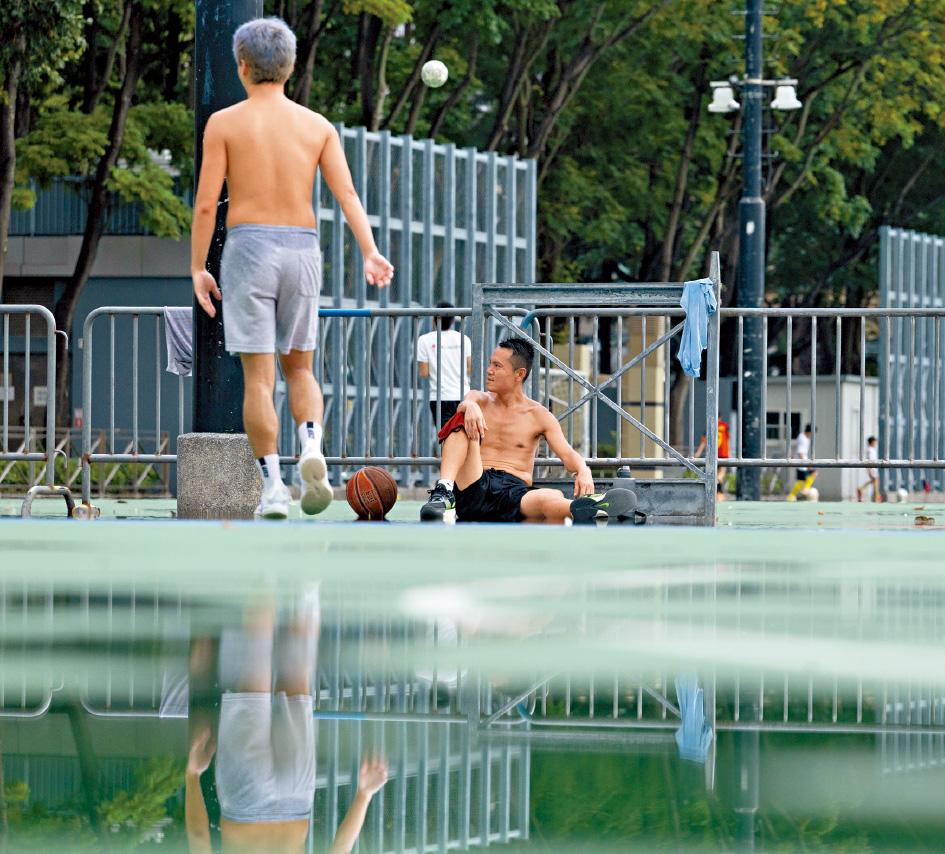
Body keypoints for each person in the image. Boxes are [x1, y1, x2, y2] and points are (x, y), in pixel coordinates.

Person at [190, 17, 394, 520]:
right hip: (301, 249)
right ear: (291, 66)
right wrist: (370, 251)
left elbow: (206, 203)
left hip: (249, 248)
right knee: (300, 367)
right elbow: (347, 194)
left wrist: (198, 266)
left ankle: (274, 488)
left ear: (242, 65)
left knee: (259, 380)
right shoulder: (316, 126)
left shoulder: (225, 123)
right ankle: (311, 446)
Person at [185, 588, 389, 854]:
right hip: (246, 803)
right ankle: (266, 578)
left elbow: (340, 848)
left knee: (297, 677)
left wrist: (364, 794)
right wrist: (192, 775)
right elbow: (199, 837)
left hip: (296, 801)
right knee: (255, 668)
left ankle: (307, 589)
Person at [418, 337, 635, 524]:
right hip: (473, 484)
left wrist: (583, 470)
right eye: (490, 364)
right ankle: (443, 491)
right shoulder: (478, 399)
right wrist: (469, 406)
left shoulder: (539, 415)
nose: (489, 370)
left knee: (550, 496)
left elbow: (567, 454)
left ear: (519, 374)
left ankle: (590, 507)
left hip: (513, 492)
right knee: (461, 419)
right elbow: (467, 402)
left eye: (497, 366)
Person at [417, 302, 472, 425]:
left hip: (439, 397)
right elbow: (470, 368)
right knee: (465, 434)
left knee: (446, 434)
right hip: (464, 395)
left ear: (434, 318)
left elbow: (424, 373)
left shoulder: (424, 340)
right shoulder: (464, 339)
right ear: (452, 320)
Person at [693, 417, 730, 500]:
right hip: (723, 453)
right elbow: (727, 440)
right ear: (720, 418)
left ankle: (717, 492)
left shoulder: (710, 426)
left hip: (712, 455)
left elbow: (703, 442)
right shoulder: (724, 426)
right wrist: (729, 452)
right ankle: (719, 492)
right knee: (721, 474)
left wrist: (698, 453)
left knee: (713, 474)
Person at [786, 424, 815, 501]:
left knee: (802, 480)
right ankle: (799, 493)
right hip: (801, 462)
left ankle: (793, 495)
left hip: (802, 461)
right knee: (809, 476)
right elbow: (800, 452)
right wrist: (806, 464)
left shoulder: (804, 437)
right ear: (809, 432)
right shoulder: (803, 438)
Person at [855, 436, 880, 501]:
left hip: (873, 467)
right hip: (872, 467)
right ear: (871, 442)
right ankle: (876, 497)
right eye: (874, 442)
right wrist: (870, 468)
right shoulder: (870, 450)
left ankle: (861, 489)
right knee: (875, 480)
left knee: (874, 480)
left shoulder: (871, 449)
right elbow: (870, 459)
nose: (875, 443)